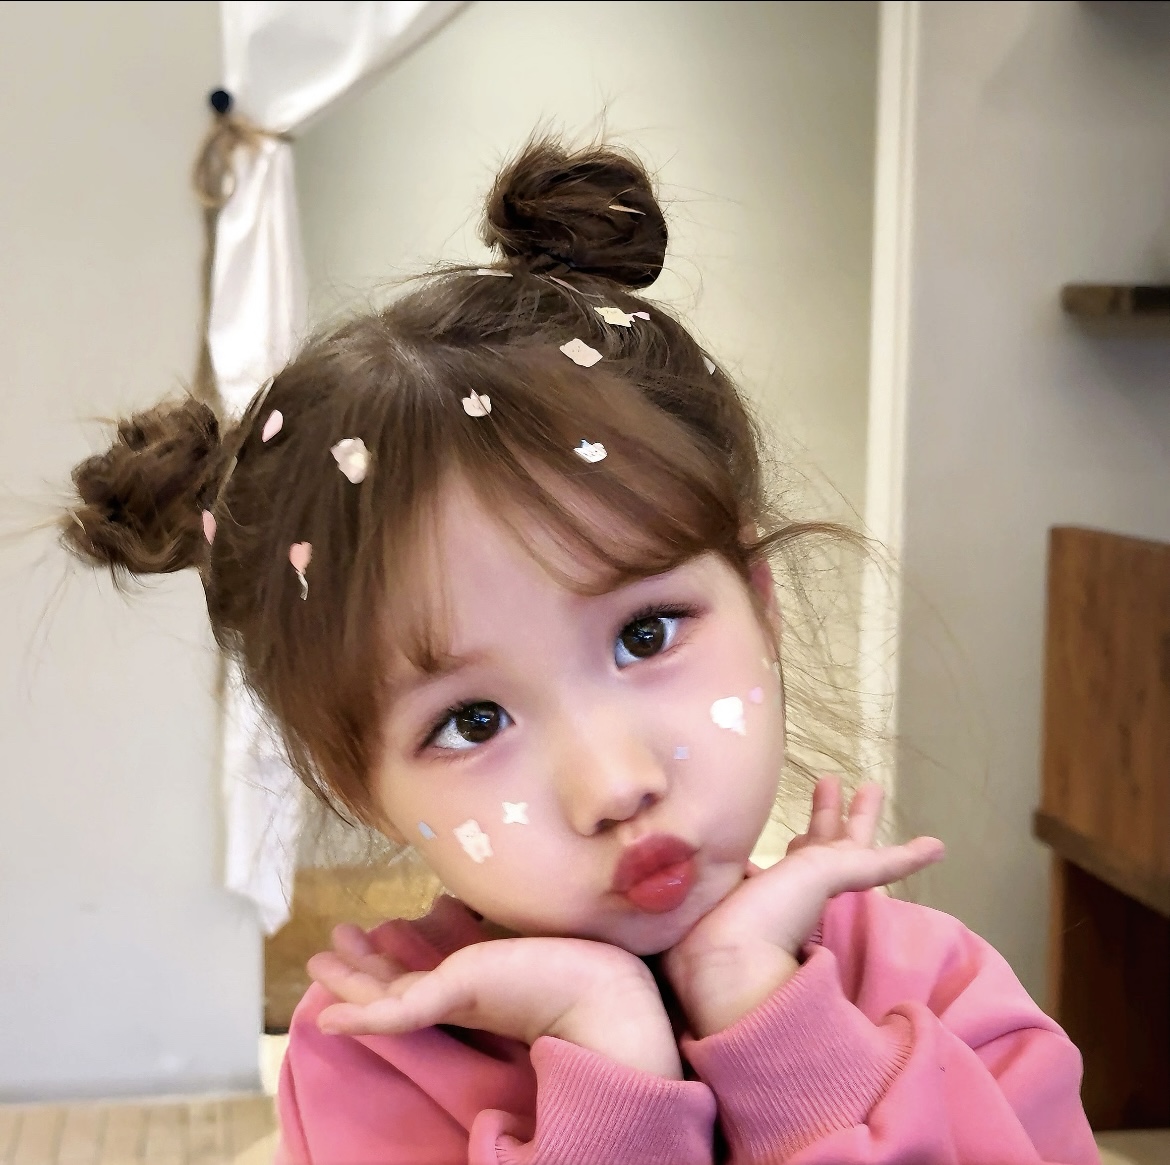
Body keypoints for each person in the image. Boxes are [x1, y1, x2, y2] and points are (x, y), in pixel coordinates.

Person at [62, 137, 1099, 1164]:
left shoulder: (939, 987)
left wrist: (768, 1011)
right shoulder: (376, 1064)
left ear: (758, 601)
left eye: (645, 634)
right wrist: (608, 1062)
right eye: (472, 720)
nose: (613, 784)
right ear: (355, 782)